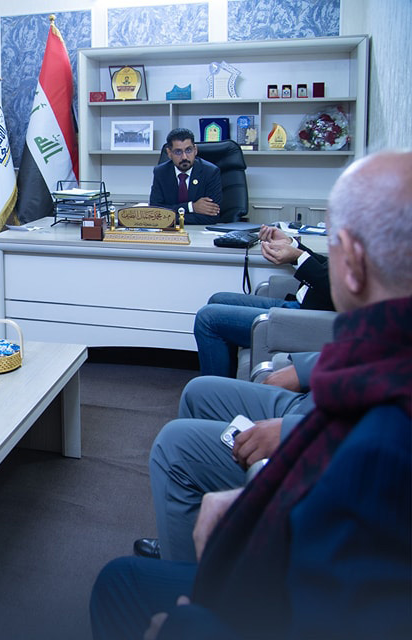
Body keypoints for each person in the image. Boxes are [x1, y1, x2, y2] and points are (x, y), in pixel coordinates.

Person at [90, 150, 412, 640]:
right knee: (200, 389)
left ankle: (191, 577)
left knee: (118, 583)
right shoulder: (378, 352)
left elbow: (330, 610)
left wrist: (187, 623)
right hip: (302, 420)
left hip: (264, 588)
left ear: (353, 261)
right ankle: (188, 553)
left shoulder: (380, 448)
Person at [135, 352, 319, 563]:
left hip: (328, 438)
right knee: (198, 392)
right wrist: (305, 368)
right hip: (316, 403)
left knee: (173, 446)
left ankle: (192, 578)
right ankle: (181, 541)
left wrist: (294, 432)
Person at [194, 224, 333, 377]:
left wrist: (298, 256)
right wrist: (291, 244)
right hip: (301, 304)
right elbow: (327, 266)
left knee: (207, 318)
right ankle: (227, 379)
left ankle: (215, 390)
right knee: (218, 299)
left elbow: (335, 285)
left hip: (310, 319)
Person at [149, 128, 222, 225]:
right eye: (178, 152)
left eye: (188, 150)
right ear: (169, 153)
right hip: (169, 231)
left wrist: (170, 216)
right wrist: (191, 207)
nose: (184, 157)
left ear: (195, 150)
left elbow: (212, 217)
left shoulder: (210, 172)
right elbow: (155, 213)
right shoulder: (161, 172)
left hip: (200, 231)